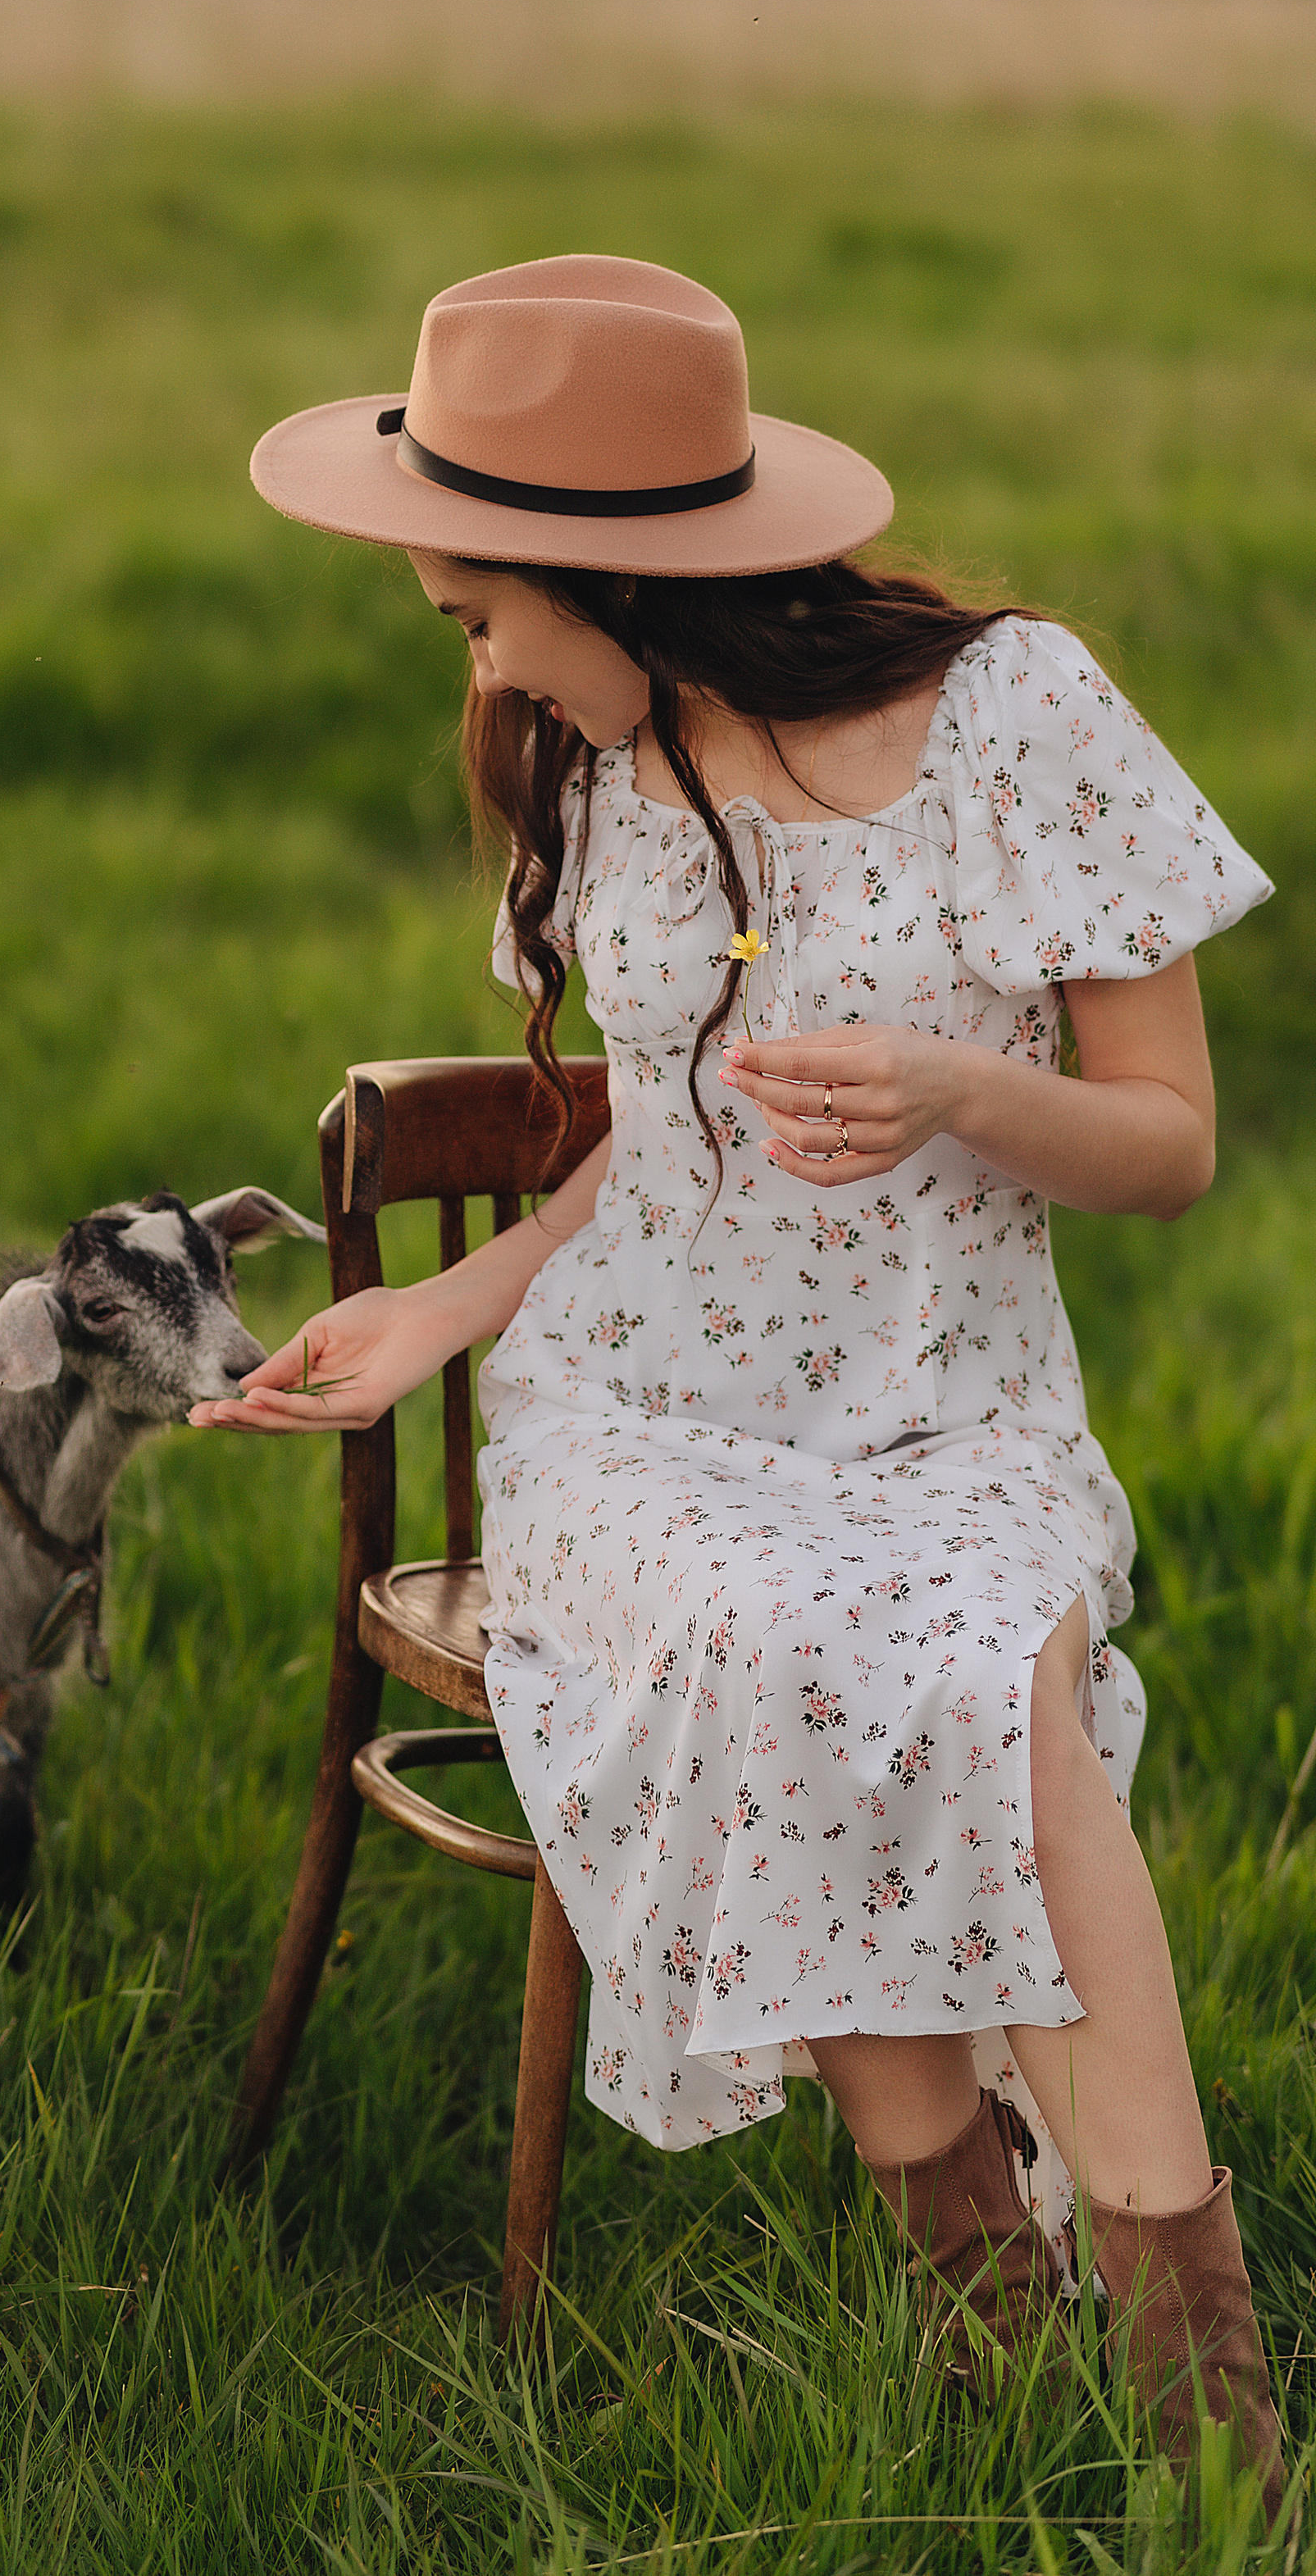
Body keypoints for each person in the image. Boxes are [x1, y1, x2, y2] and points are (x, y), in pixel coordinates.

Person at [192, 255, 1281, 2487]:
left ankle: (1208, 2438)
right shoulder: (590, 757)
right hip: (640, 1414)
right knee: (772, 1641)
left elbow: (1171, 1148)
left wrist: (962, 1092)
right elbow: (652, 1150)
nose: (481, 668)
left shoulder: (1020, 716)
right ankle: (1002, 2357)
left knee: (986, 1670)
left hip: (951, 1402)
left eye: (483, 616)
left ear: (622, 572)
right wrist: (443, 1313)